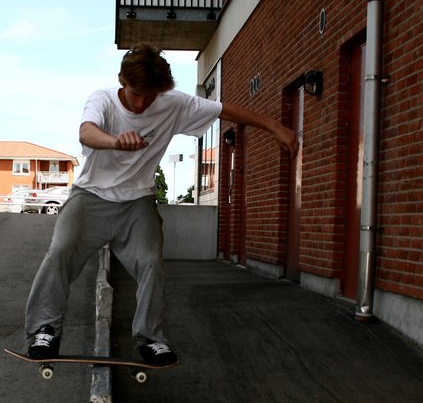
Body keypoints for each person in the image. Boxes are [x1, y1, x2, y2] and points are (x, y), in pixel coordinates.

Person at [24, 43, 298, 364]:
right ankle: (45, 329)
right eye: (135, 94)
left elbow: (225, 110)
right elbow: (87, 133)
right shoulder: (103, 100)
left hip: (137, 201)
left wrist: (275, 127)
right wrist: (115, 141)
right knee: (60, 251)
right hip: (91, 196)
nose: (142, 103)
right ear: (122, 81)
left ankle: (150, 338)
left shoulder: (173, 103)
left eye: (150, 96)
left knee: (151, 261)